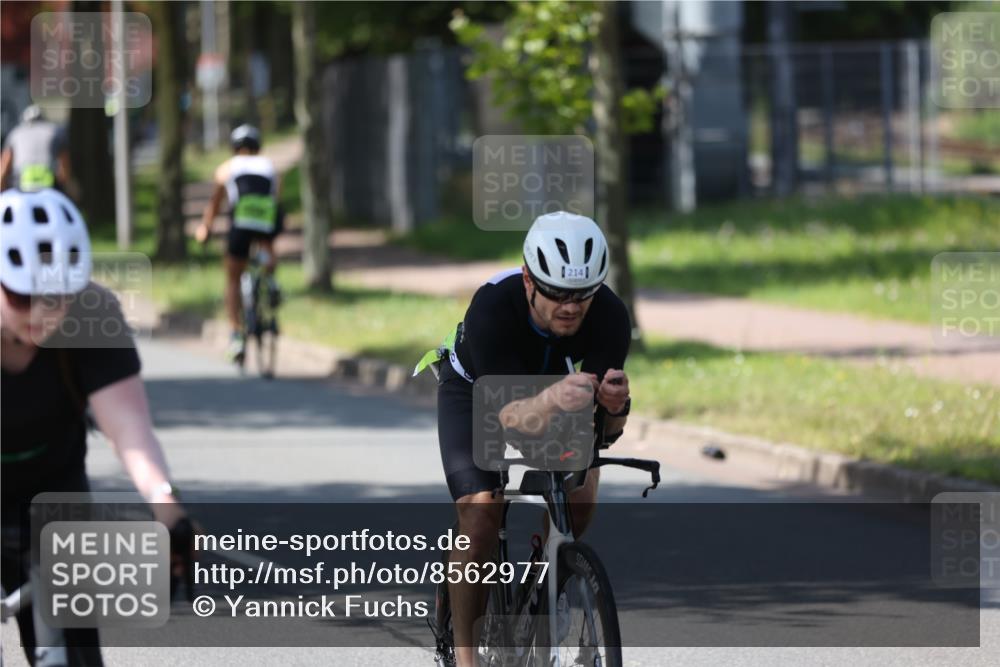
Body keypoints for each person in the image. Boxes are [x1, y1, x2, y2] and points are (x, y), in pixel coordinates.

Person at [423, 211, 633, 667]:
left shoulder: (611, 316)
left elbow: (604, 436)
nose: (570, 307)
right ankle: (467, 660)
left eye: (582, 294)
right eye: (557, 293)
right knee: (482, 513)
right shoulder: (492, 308)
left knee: (580, 496)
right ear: (528, 280)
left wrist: (616, 408)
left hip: (553, 397)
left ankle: (550, 576)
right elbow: (511, 420)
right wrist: (557, 397)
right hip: (475, 394)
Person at [0, 188, 193, 666]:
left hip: (54, 489)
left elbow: (129, 429)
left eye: (56, 296)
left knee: (76, 649)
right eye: (22, 297)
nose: (42, 313)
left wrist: (166, 507)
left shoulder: (92, 314)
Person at [195, 124, 283, 363]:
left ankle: (235, 334)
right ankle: (271, 280)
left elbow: (215, 204)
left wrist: (206, 228)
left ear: (234, 148)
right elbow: (276, 198)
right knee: (266, 247)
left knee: (233, 277)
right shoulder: (270, 166)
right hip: (265, 221)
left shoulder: (227, 167)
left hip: (241, 223)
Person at [0, 105, 72, 193]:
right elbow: (64, 169)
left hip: (20, 185)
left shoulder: (15, 133)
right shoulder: (56, 131)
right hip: (49, 185)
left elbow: (4, 167)